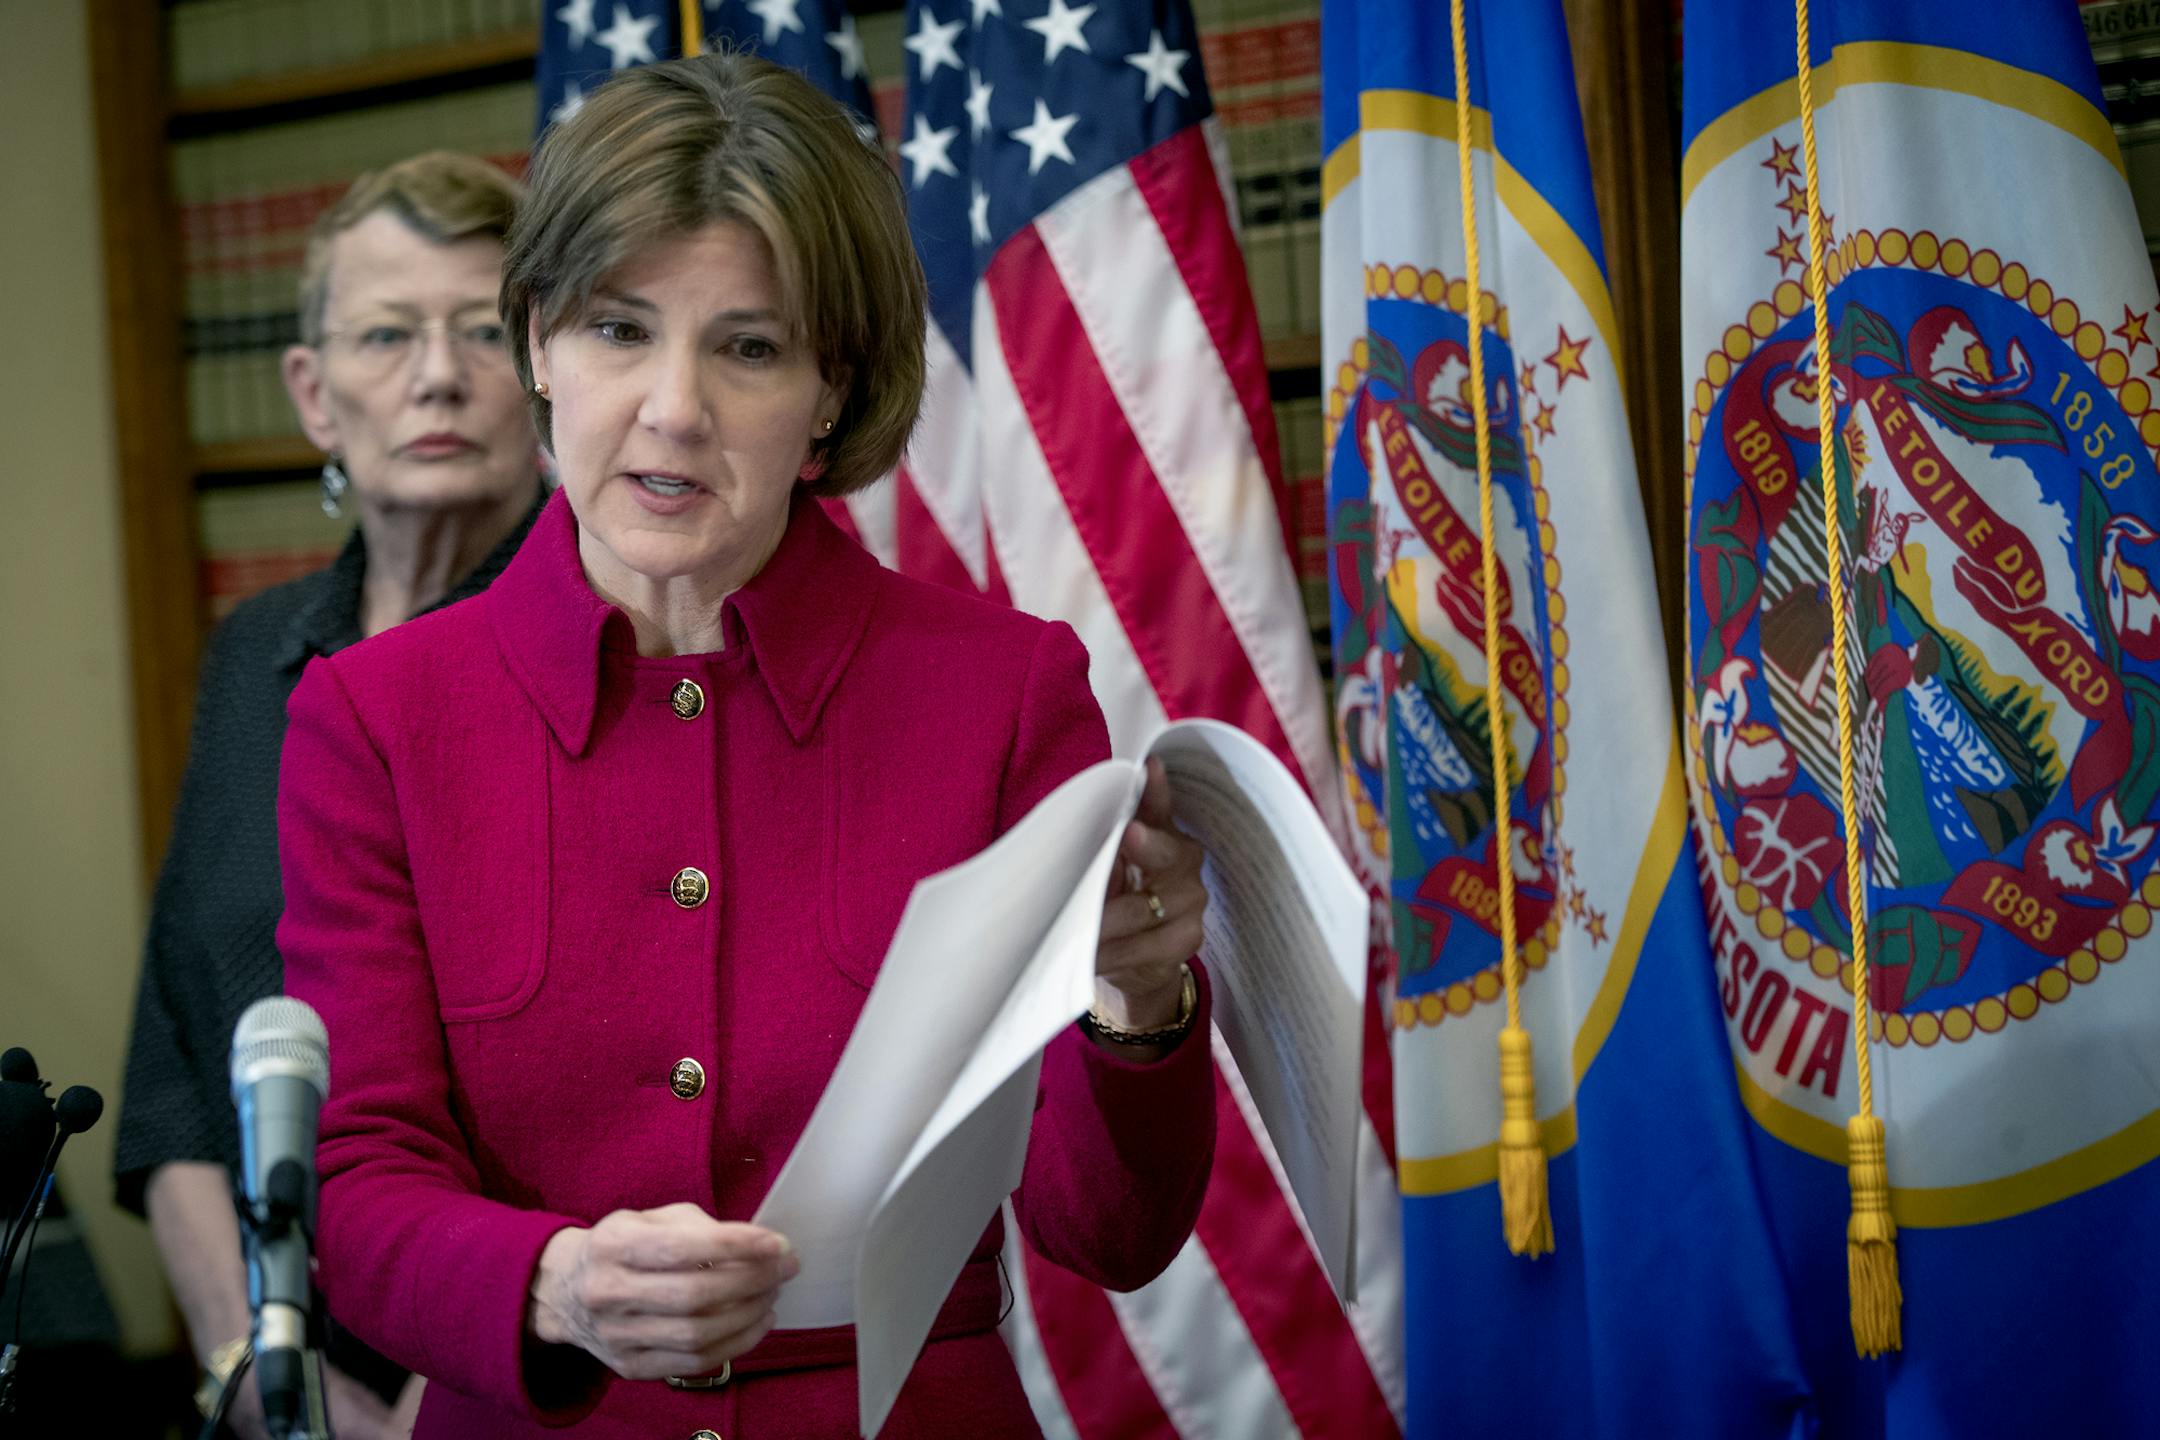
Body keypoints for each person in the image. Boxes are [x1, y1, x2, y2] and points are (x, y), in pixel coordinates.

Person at [275, 52, 1217, 1438]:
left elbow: (1110, 1230)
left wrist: (1138, 1012)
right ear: (535, 341)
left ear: (831, 391)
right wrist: (554, 1284)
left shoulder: (1007, 694)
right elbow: (353, 1178)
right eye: (616, 330)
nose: (673, 408)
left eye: (750, 346)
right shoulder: (373, 718)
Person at [114, 151, 545, 1440]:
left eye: (482, 328)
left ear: (544, 370)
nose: (436, 373)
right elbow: (181, 1054)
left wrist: (431, 1406)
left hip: (520, 1369)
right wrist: (252, 1359)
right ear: (313, 394)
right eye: (384, 334)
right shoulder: (259, 655)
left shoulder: (615, 655)